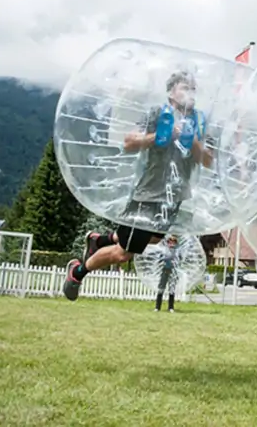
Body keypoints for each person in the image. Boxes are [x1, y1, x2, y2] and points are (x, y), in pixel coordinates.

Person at [63, 71, 214, 301]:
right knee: (124, 253)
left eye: (193, 89)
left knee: (153, 239)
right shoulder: (157, 113)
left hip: (174, 197)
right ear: (171, 93)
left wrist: (191, 140)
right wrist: (162, 135)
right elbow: (130, 142)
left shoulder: (200, 121)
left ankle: (100, 240)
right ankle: (78, 272)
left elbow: (208, 160)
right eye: (185, 88)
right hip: (149, 194)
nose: (190, 93)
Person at [155, 236, 179, 313]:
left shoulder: (177, 251)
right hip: (164, 270)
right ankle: (157, 307)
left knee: (172, 289)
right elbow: (159, 259)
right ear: (168, 242)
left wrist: (175, 263)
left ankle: (171, 307)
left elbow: (179, 260)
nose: (172, 243)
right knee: (161, 288)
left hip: (173, 271)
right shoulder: (164, 250)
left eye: (173, 242)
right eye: (170, 241)